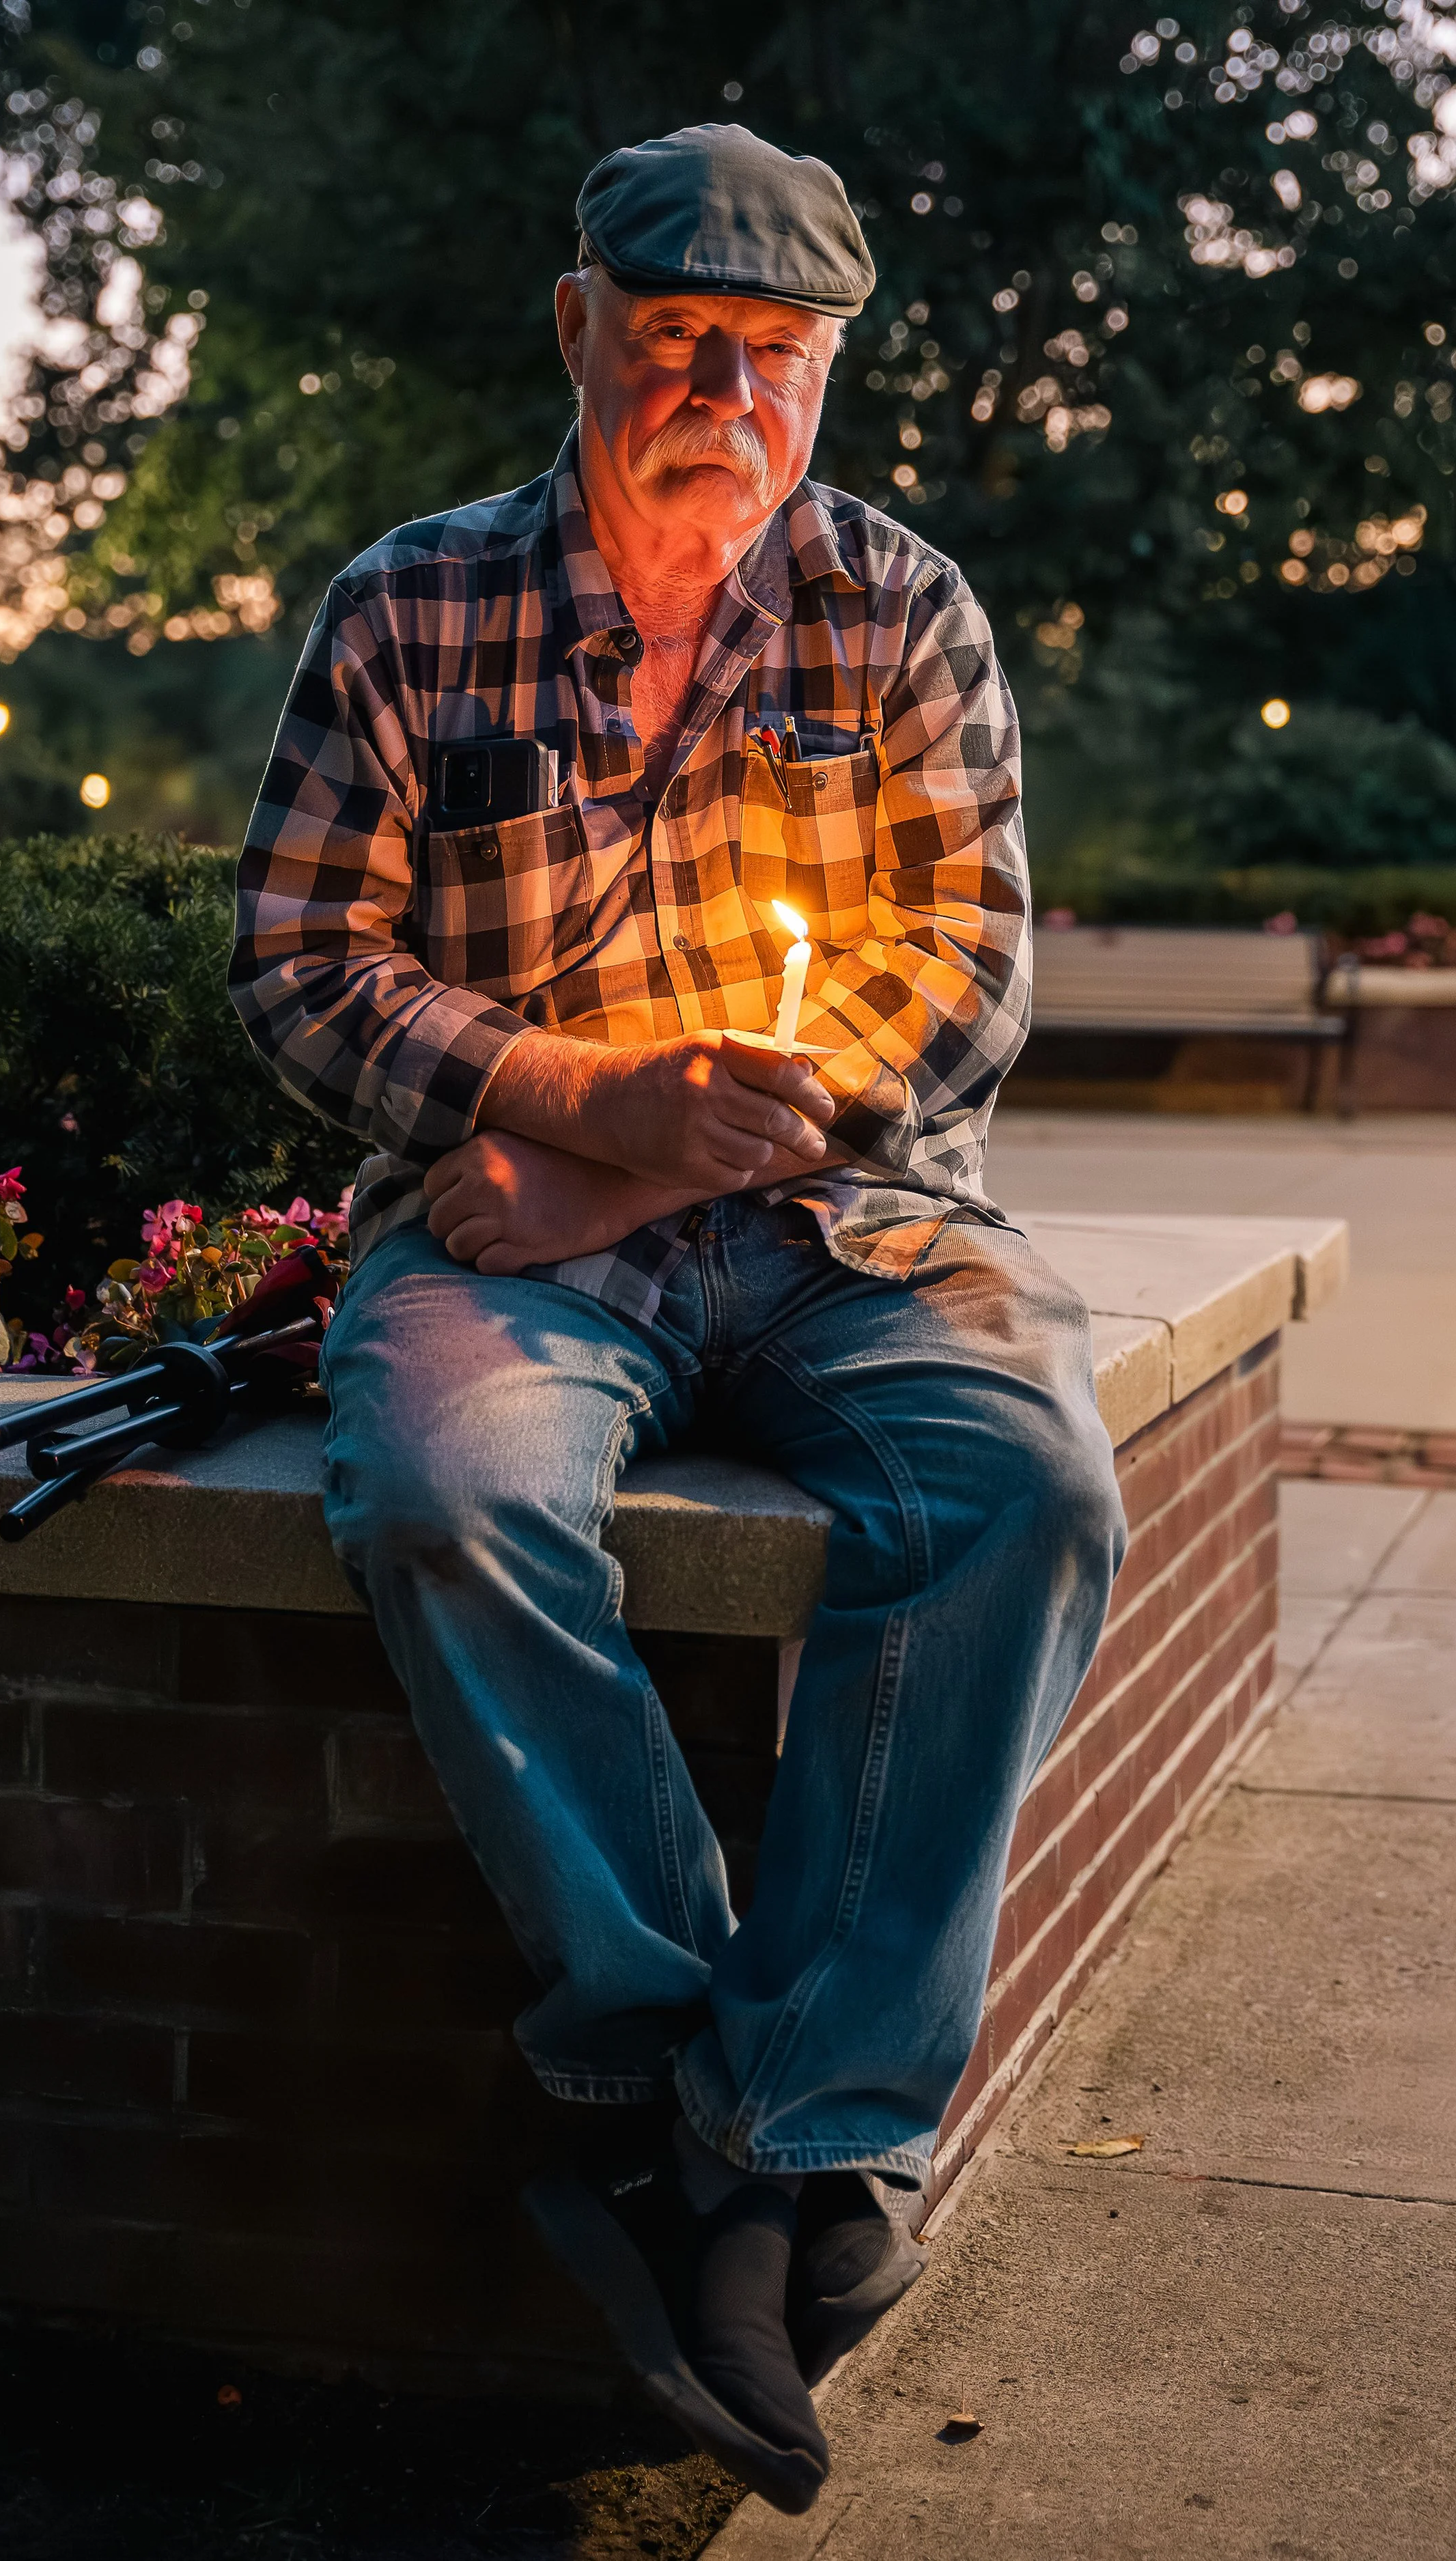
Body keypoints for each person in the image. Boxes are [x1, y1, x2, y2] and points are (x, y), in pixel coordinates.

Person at [231, 122, 1125, 2516]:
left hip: (841, 1218)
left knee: (1021, 1489)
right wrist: (551, 1093)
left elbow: (971, 968)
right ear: (575, 330)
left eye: (780, 356)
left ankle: (792, 2134)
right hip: (521, 1240)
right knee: (449, 1492)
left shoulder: (898, 611)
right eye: (677, 342)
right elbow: (302, 960)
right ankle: (666, 2082)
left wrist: (643, 1136)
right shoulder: (413, 606)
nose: (724, 392)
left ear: (830, 376)